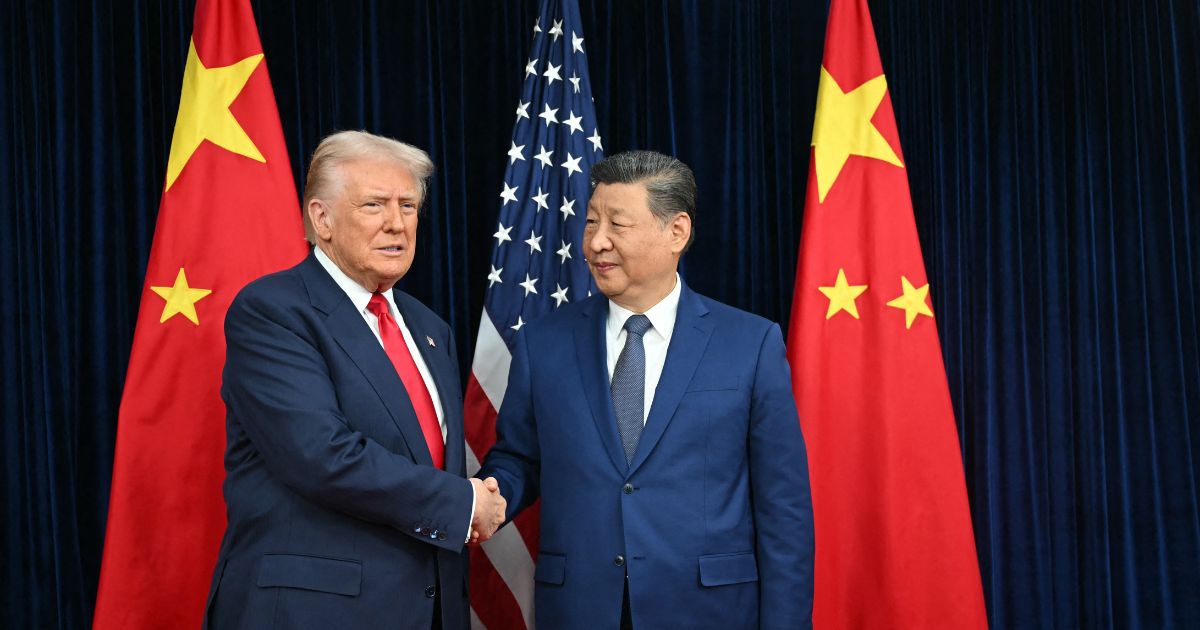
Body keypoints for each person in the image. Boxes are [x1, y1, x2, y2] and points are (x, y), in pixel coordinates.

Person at [479, 150, 815, 629]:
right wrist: (493, 493)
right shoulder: (543, 344)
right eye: (591, 221)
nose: (596, 242)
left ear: (676, 231)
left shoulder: (750, 344)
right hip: (581, 610)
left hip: (709, 611)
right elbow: (520, 457)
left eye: (618, 224)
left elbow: (784, 510)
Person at [204, 130, 505, 630]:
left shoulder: (432, 330)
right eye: (374, 205)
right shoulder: (274, 311)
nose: (397, 224)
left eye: (408, 206)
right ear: (321, 219)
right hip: (314, 612)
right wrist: (465, 502)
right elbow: (321, 454)